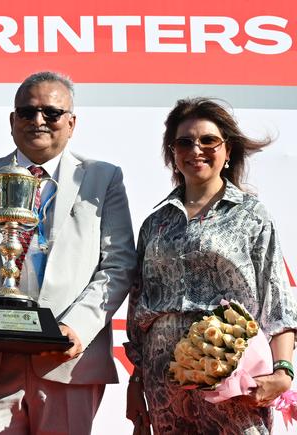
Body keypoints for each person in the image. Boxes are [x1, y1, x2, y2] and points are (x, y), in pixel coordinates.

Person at [0, 71, 136, 434]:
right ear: (12, 121)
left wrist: (77, 328)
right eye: (27, 112)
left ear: (71, 123)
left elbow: (117, 265)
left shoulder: (103, 179)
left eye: (51, 113)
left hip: (67, 361)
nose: (38, 121)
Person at [124, 98, 297, 434]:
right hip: (164, 382)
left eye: (208, 140)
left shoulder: (251, 216)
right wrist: (136, 382)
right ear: (172, 153)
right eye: (184, 142)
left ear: (227, 149)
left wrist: (283, 371)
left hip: (233, 375)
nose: (196, 150)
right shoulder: (155, 224)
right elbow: (138, 312)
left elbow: (278, 303)